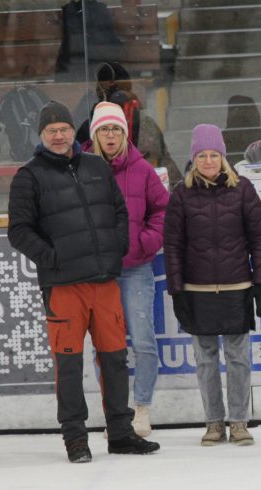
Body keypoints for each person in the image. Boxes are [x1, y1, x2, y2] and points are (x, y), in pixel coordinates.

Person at [7, 101, 160, 462]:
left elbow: (119, 212)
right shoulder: (29, 176)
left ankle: (120, 433)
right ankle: (75, 438)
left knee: (115, 360)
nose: (59, 136)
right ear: (41, 135)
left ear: (72, 132)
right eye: (51, 131)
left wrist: (117, 246)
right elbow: (19, 231)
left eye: (63, 129)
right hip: (63, 288)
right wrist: (54, 258)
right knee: (70, 365)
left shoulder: (96, 166)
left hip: (104, 282)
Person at [163, 124, 261, 446]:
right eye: (201, 155)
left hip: (237, 288)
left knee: (238, 358)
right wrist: (177, 290)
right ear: (193, 159)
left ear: (223, 157)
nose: (208, 161)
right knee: (206, 360)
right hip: (198, 291)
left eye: (213, 155)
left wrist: (259, 283)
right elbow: (173, 246)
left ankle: (238, 422)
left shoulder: (243, 189)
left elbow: (259, 239)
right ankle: (213, 422)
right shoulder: (181, 194)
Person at [82, 101, 170, 437]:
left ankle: (141, 409)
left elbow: (162, 211)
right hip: (98, 272)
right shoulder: (81, 168)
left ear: (124, 133)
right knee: (105, 346)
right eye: (104, 129)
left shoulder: (142, 169)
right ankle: (115, 414)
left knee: (143, 341)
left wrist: (145, 242)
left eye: (116, 129)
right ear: (95, 134)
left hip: (135, 269)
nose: (110, 135)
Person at [74, 62, 182, 187]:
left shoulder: (146, 125)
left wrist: (178, 191)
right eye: (110, 92)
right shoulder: (89, 127)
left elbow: (168, 169)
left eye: (121, 92)